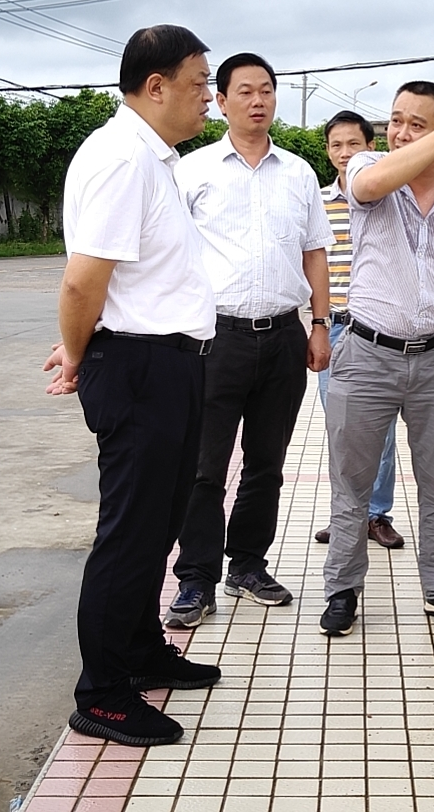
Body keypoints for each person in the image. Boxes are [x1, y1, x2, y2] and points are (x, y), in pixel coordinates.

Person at [42, 24, 222, 747]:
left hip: (168, 362)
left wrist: (86, 342)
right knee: (129, 535)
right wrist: (79, 352)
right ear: (156, 86)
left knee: (158, 526)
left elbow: (129, 281)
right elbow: (83, 280)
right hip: (141, 367)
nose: (208, 97)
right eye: (199, 83)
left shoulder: (154, 158)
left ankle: (143, 651)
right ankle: (104, 694)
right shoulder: (122, 158)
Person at [318, 81, 434, 637]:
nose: (399, 132)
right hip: (366, 353)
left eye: (416, 124)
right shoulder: (368, 167)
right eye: (396, 120)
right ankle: (342, 589)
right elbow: (369, 185)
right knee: (352, 481)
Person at [165, 52, 333, 629]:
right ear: (221, 101)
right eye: (245, 91)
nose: (258, 100)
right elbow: (168, 254)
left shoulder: (299, 173)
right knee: (203, 466)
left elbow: (315, 252)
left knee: (267, 464)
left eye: (266, 90)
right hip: (213, 338)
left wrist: (319, 324)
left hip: (283, 336)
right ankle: (195, 579)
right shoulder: (192, 171)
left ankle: (248, 566)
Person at [312, 110, 404, 551]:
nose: (345, 153)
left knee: (381, 429)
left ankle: (376, 513)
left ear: (371, 146)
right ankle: (346, 515)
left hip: (379, 330)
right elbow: (310, 262)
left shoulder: (392, 195)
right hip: (335, 328)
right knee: (341, 429)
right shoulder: (318, 202)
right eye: (336, 145)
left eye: (353, 144)